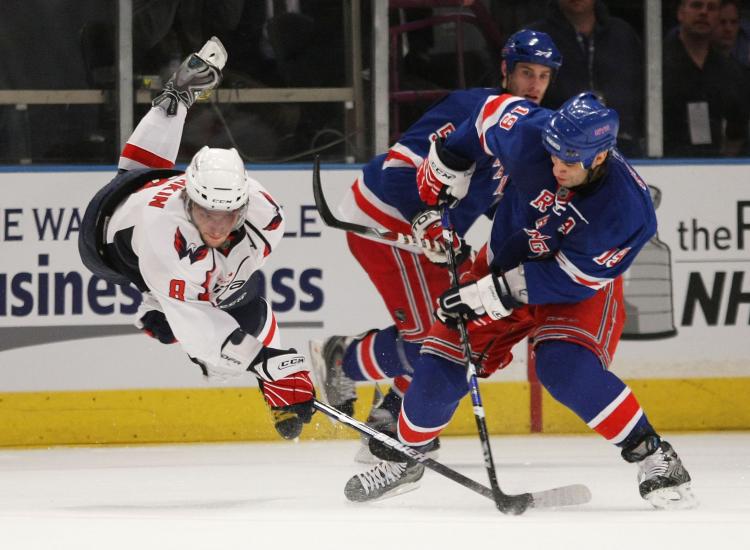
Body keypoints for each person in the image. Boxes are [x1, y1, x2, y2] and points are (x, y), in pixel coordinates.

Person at [344, 92, 695, 510]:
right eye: (553, 154)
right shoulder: (530, 132)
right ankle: (407, 456)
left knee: (562, 366)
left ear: (600, 157)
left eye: (570, 160)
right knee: (440, 360)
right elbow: (484, 117)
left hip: (572, 289)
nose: (557, 165)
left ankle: (655, 455)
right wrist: (451, 161)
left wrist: (487, 295)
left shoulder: (627, 212)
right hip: (500, 263)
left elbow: (569, 280)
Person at [308, 30, 562, 462]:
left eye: (543, 76)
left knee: (453, 326)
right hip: (385, 218)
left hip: (436, 237)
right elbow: (398, 167)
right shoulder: (471, 109)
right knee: (436, 333)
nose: (534, 85)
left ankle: (381, 403)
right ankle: (346, 365)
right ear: (505, 71)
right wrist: (425, 221)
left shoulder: (533, 130)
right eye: (525, 73)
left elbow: (497, 200)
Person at [78, 37, 315, 440]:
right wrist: (262, 361)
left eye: (229, 214)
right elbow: (202, 335)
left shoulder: (265, 214)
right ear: (189, 203)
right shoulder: (162, 235)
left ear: (244, 204)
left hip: (154, 185)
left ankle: (175, 101)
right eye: (207, 213)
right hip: (110, 245)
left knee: (241, 303)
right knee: (199, 337)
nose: (218, 226)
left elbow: (234, 285)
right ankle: (155, 303)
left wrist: (271, 362)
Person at [527, 0, 644, 156]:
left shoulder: (622, 33)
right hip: (555, 149)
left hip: (622, 146)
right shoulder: (536, 37)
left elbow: (640, 87)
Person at [663, 0, 748, 157]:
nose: (704, 12)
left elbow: (737, 130)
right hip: (662, 163)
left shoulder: (730, 71)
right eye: (696, 5)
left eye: (712, 8)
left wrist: (723, 166)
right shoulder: (658, 65)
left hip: (713, 165)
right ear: (681, 12)